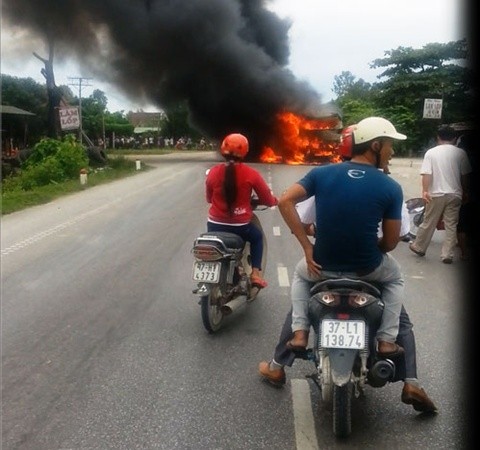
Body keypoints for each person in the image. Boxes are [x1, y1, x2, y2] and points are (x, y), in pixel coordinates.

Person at [273, 117, 407, 356]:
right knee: (395, 278)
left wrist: (306, 247)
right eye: (389, 145)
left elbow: (285, 201)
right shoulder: (391, 187)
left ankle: (301, 333)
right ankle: (387, 339)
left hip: (321, 266)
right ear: (375, 146)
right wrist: (369, 245)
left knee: (300, 275)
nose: (392, 151)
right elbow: (390, 243)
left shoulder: (321, 174)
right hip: (367, 268)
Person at [205, 133, 278, 288]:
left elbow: (209, 199)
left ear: (223, 150)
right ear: (245, 151)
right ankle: (256, 274)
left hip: (214, 225)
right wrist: (274, 201)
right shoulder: (251, 174)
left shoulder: (212, 172)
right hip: (240, 227)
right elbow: (266, 199)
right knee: (257, 238)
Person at [409, 125, 472, 264]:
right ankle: (447, 254)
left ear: (438, 137)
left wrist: (425, 191)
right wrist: (466, 191)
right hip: (455, 194)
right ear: (455, 139)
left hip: (436, 193)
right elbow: (465, 175)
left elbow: (427, 173)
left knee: (429, 221)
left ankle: (419, 246)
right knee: (451, 224)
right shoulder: (460, 153)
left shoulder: (431, 153)